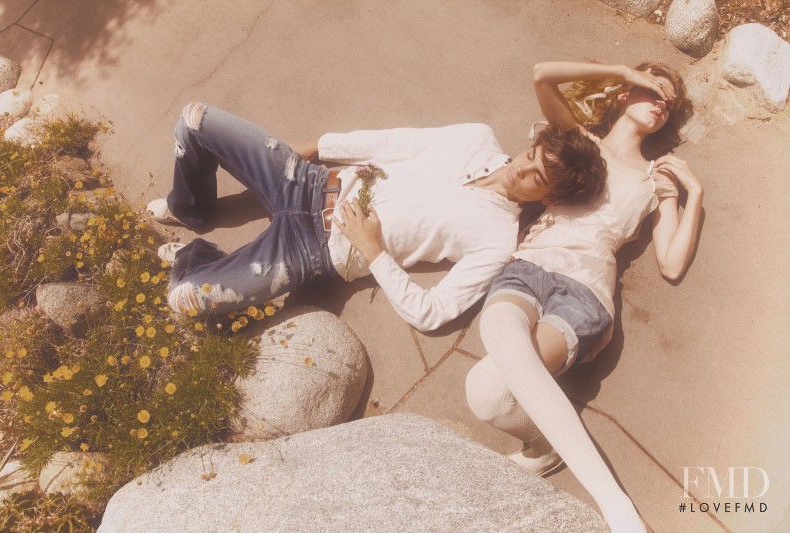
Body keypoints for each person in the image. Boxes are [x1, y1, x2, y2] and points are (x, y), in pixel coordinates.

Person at [465, 61, 703, 533]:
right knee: (493, 345)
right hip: (530, 268)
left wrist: (693, 195)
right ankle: (609, 500)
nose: (659, 101)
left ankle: (579, 477)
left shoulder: (655, 178)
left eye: (668, 103)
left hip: (586, 292)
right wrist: (623, 72)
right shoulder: (577, 140)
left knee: (488, 393)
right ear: (623, 93)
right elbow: (540, 74)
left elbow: (672, 264)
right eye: (652, 89)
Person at [147, 103, 607, 331]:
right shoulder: (476, 137)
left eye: (536, 176)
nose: (519, 168)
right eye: (531, 154)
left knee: (185, 300)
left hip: (312, 253)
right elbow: (391, 142)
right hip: (305, 183)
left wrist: (375, 251)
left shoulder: (498, 239)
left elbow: (434, 313)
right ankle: (191, 208)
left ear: (548, 199)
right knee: (194, 119)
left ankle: (195, 256)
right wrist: (314, 148)